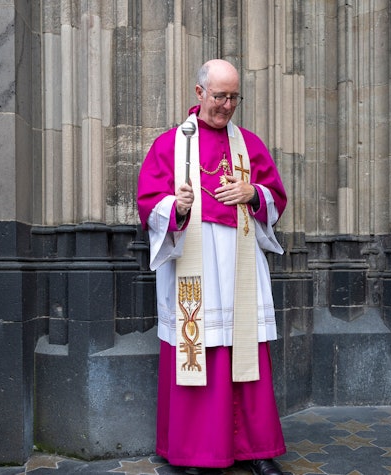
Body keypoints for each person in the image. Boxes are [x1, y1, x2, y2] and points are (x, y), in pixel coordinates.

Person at [137, 59, 287, 475]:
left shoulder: (249, 144)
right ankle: (196, 453)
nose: (227, 105)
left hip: (240, 261)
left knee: (247, 352)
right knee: (196, 351)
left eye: (234, 97)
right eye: (220, 96)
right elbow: (148, 202)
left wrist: (252, 193)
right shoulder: (170, 144)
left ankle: (256, 450)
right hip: (194, 259)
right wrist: (177, 206)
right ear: (200, 92)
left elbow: (275, 196)